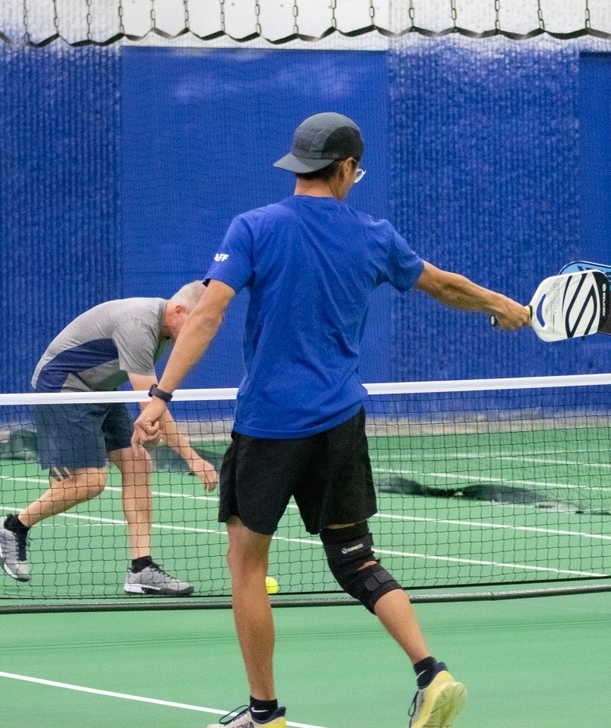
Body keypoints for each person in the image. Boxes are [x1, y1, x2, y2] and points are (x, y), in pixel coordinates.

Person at [133, 112, 529, 728]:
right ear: (344, 169)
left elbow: (207, 315)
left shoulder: (253, 228)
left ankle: (265, 714)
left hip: (268, 427)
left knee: (247, 566)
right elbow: (443, 285)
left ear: (300, 167)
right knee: (355, 558)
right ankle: (432, 672)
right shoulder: (373, 235)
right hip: (340, 422)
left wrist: (161, 393)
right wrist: (501, 304)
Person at [0, 282, 219, 596]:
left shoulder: (166, 329)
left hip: (100, 388)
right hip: (64, 385)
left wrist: (150, 430)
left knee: (138, 464)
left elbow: (150, 411)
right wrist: (191, 457)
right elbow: (154, 406)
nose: (199, 332)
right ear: (178, 311)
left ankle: (141, 569)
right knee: (91, 482)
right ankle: (13, 527)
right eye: (196, 322)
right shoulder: (139, 326)